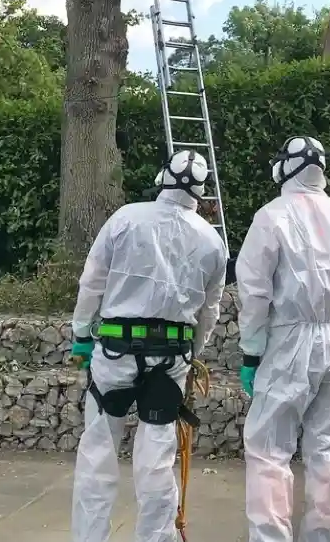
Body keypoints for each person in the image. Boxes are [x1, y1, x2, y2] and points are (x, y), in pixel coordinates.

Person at [70, 148, 228, 542]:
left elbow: (92, 281)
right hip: (170, 359)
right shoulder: (212, 240)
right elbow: (209, 310)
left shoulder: (126, 219)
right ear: (201, 192)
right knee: (156, 462)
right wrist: (194, 353)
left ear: (162, 178)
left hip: (115, 353)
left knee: (97, 455)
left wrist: (81, 334)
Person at [236, 136, 330, 542]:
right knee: (329, 449)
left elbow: (255, 292)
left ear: (285, 168)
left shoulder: (271, 217)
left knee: (269, 451)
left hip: (289, 344)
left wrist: (251, 352)